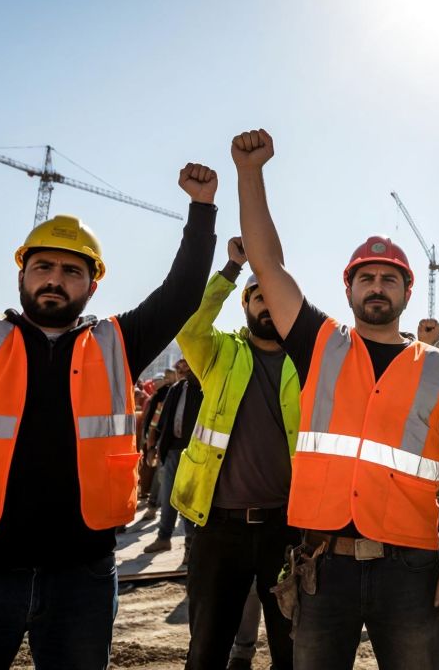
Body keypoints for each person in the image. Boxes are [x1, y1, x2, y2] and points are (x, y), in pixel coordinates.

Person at [0, 89, 218, 669]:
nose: (55, 279)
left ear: (91, 285)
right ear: (22, 273)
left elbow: (180, 295)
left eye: (71, 271)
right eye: (43, 266)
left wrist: (201, 212)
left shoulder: (116, 344)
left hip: (82, 576)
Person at [235, 127, 439, 669]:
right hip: (324, 564)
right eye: (365, 277)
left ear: (406, 292)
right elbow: (268, 264)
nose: (376, 286)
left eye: (388, 279)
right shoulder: (318, 343)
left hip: (411, 567)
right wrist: (250, 174)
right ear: (347, 289)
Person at [172, 236, 303, 668]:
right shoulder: (220, 352)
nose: (267, 305)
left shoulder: (307, 362)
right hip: (219, 529)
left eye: (274, 297)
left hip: (285, 530)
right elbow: (189, 326)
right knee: (206, 649)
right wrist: (231, 270)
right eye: (257, 296)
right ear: (245, 305)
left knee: (291, 647)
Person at [145, 357, 202, 562]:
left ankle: (190, 546)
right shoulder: (176, 389)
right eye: (180, 366)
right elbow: (165, 420)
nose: (181, 368)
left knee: (186, 500)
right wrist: (157, 446)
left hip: (192, 453)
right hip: (171, 450)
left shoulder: (203, 390)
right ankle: (164, 537)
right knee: (168, 496)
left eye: (186, 365)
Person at [139, 367, 178, 519]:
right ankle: (154, 505)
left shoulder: (164, 394)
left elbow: (154, 422)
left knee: (160, 475)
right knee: (159, 475)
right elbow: (153, 421)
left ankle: (154, 506)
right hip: (161, 441)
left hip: (161, 441)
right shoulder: (163, 396)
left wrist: (151, 442)